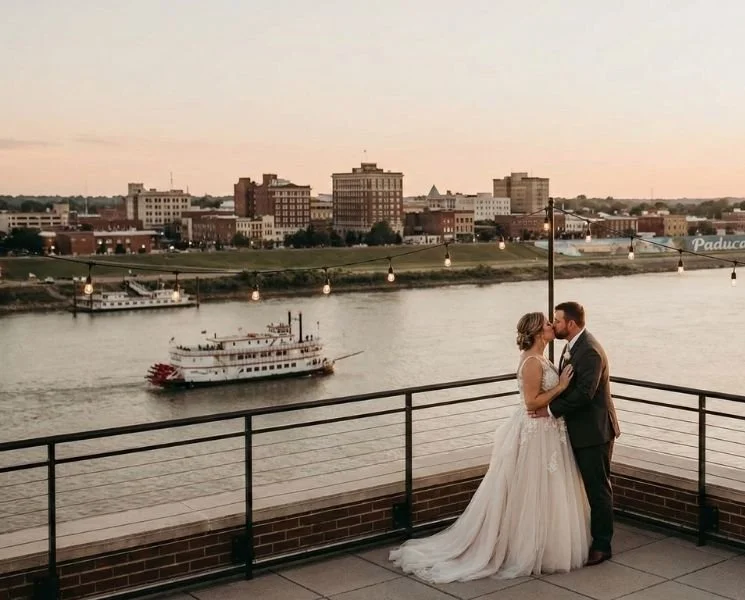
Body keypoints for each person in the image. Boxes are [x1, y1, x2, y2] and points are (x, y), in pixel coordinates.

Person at [389, 312, 590, 582]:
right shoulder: (531, 362)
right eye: (546, 323)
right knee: (532, 490)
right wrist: (562, 385)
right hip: (535, 432)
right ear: (536, 332)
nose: (551, 326)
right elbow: (531, 403)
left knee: (547, 490)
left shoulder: (542, 358)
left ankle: (546, 546)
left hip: (548, 432)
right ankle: (527, 549)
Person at [530, 301, 620, 566]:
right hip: (579, 429)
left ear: (570, 324)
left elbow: (584, 394)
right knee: (587, 487)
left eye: (557, 320)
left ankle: (602, 545)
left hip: (594, 431)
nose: (554, 324)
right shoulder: (572, 346)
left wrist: (550, 410)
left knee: (598, 488)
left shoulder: (590, 351)